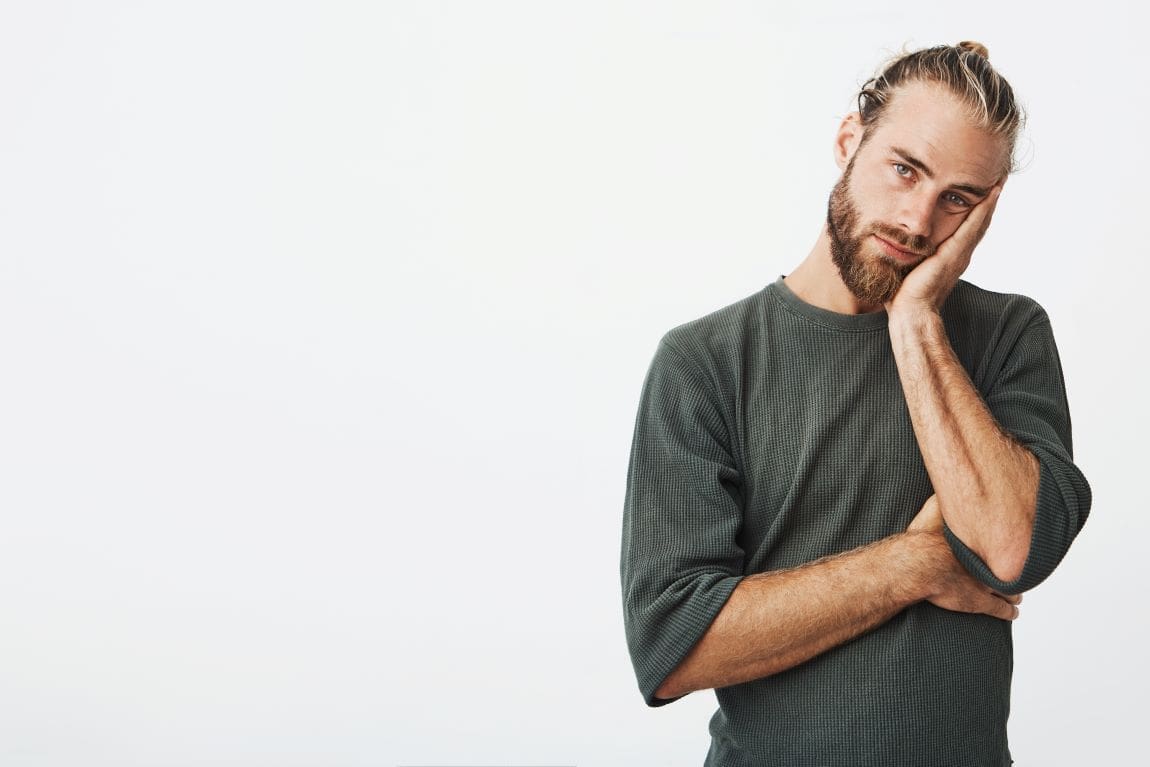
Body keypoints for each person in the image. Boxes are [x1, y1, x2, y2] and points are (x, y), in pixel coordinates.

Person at [620, 41, 1091, 766]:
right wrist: (917, 563)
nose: (917, 220)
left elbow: (1009, 545)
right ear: (849, 141)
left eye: (957, 199)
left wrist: (916, 321)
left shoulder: (1006, 336)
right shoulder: (704, 362)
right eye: (905, 170)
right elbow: (672, 644)